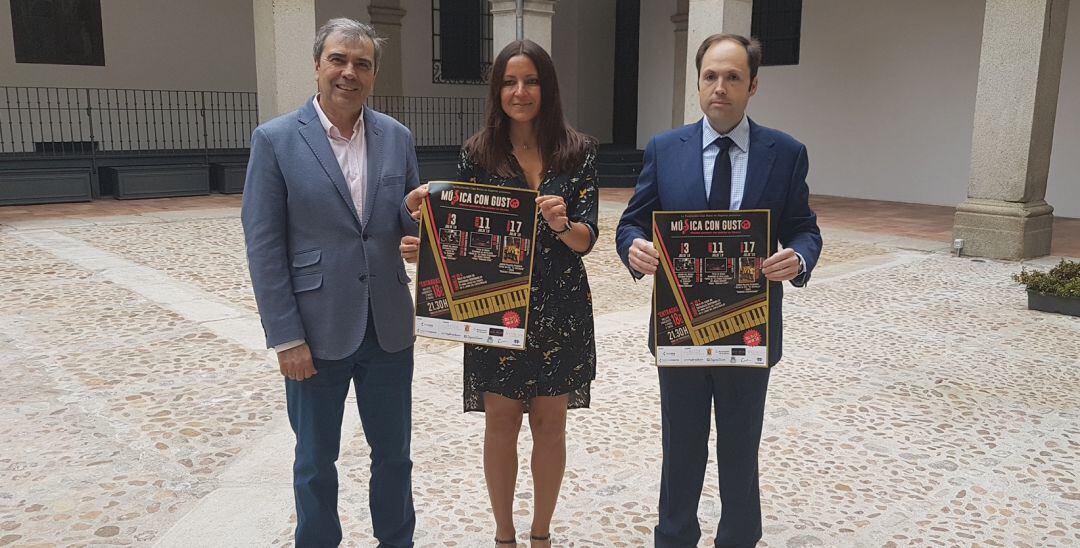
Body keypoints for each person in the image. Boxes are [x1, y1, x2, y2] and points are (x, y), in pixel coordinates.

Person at [615, 34, 822, 548]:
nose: (720, 88)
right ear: (698, 82)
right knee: (681, 448)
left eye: (733, 77)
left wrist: (797, 258)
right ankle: (675, 537)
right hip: (680, 329)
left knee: (739, 449)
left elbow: (804, 228)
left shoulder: (786, 153)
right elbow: (631, 223)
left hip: (748, 330)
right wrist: (635, 248)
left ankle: (738, 539)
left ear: (753, 84)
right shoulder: (666, 149)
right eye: (710, 76)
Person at [400, 40, 598, 547]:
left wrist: (561, 224)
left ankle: (541, 535)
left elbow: (587, 240)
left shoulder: (578, 152)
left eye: (530, 80)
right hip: (496, 305)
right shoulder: (476, 153)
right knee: (501, 422)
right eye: (510, 81)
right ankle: (504, 536)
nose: (520, 91)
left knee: (552, 425)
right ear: (497, 90)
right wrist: (426, 247)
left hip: (560, 307)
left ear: (546, 87)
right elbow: (460, 235)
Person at [241, 18, 421, 547]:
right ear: (318, 65)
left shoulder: (397, 136)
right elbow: (264, 244)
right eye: (339, 60)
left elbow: (409, 220)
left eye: (361, 64)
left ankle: (397, 541)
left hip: (388, 327)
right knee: (316, 460)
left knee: (395, 455)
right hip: (315, 334)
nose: (349, 72)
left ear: (373, 74)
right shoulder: (275, 140)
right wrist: (286, 337)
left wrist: (421, 233)